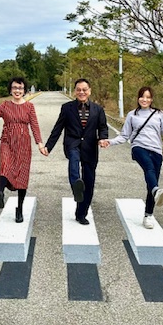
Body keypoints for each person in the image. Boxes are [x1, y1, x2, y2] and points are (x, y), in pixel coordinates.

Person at [99, 86, 163, 229]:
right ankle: (156, 192)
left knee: (152, 183)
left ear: (152, 99)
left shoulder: (159, 114)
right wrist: (110, 142)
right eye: (142, 96)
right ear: (138, 98)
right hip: (138, 147)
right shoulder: (132, 115)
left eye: (148, 97)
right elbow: (124, 136)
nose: (145, 100)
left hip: (156, 151)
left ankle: (148, 215)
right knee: (149, 168)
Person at [0, 77, 46, 223]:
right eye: (14, 88)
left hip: (24, 144)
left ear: (24, 90)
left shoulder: (30, 107)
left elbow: (34, 125)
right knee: (5, 166)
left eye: (20, 88)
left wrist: (40, 144)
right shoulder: (5, 105)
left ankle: (19, 209)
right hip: (7, 141)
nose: (17, 91)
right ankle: (0, 193)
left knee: (22, 175)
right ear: (10, 90)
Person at [44, 78, 109, 225]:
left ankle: (81, 214)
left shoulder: (98, 109)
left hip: (90, 148)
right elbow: (58, 128)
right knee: (73, 161)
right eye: (78, 90)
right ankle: (76, 185)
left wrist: (103, 138)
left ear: (89, 91)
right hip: (72, 143)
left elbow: (103, 127)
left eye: (84, 90)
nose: (81, 92)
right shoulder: (67, 108)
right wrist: (48, 146)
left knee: (89, 182)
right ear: (75, 91)